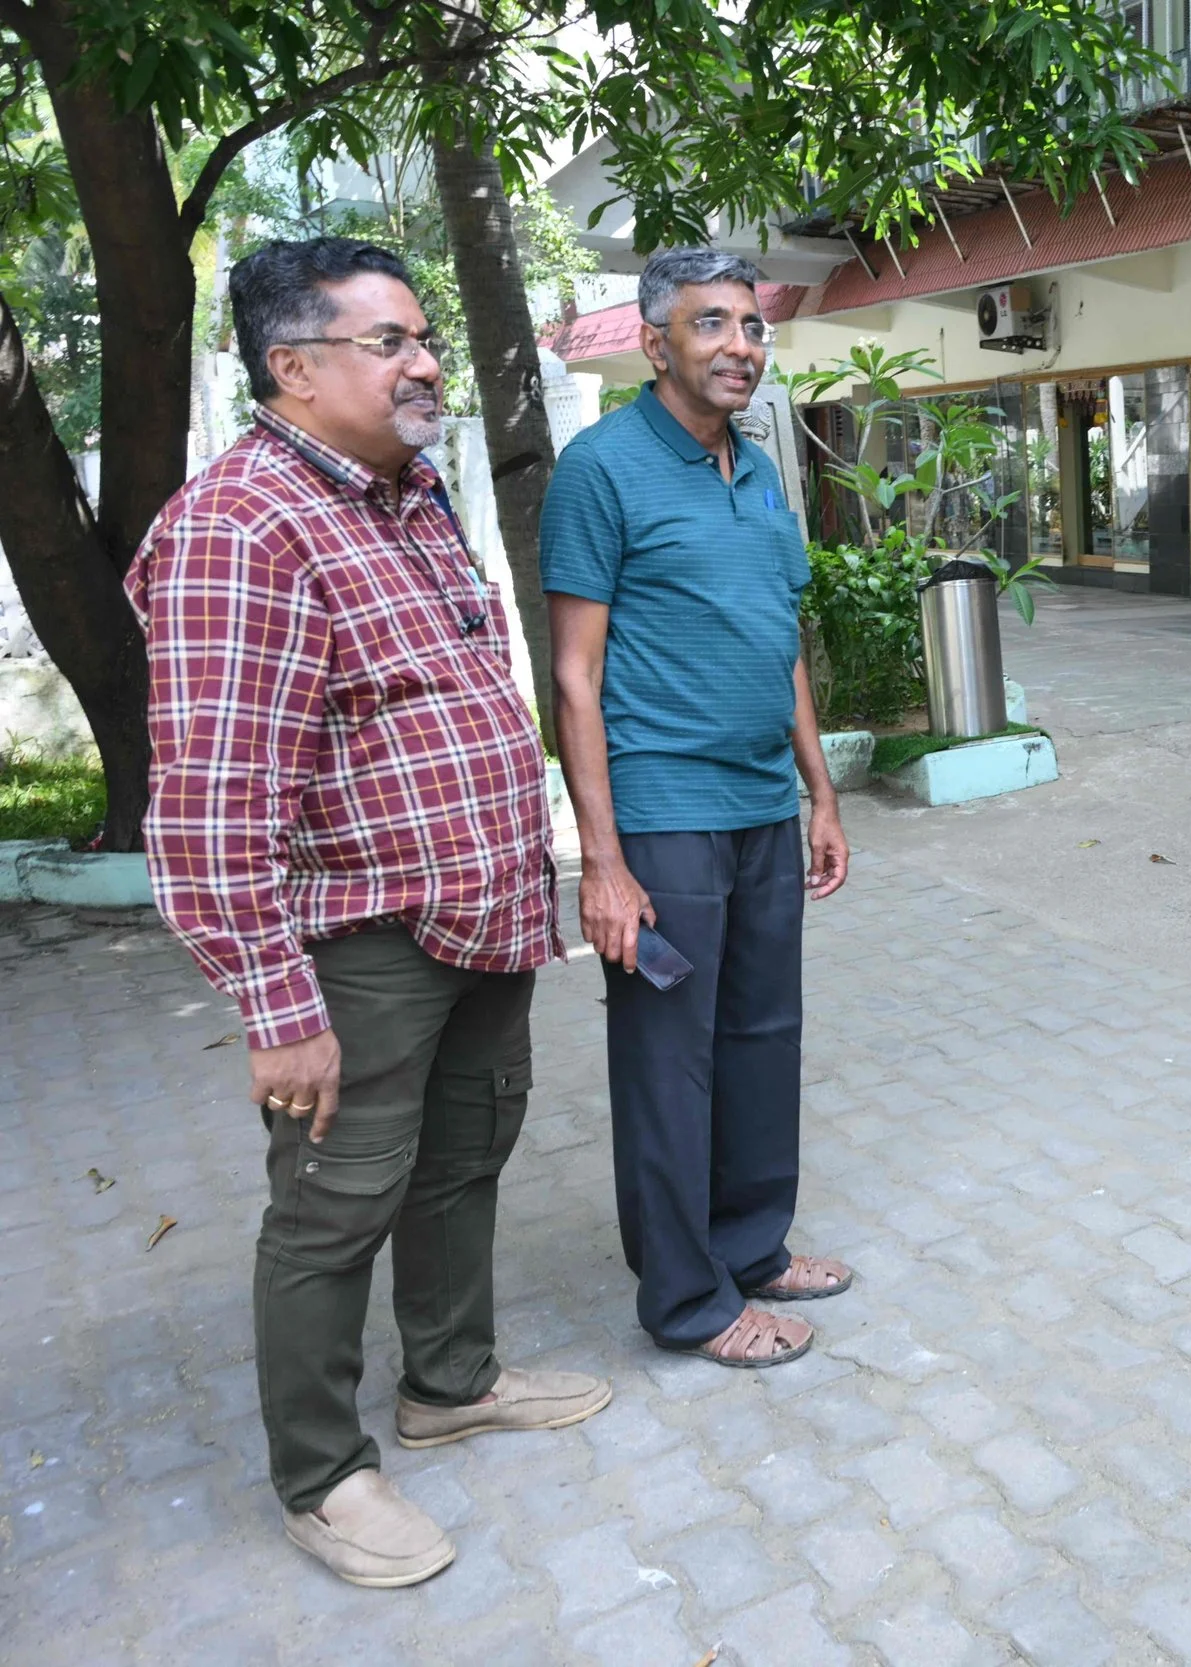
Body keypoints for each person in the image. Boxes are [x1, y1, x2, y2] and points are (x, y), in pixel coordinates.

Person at [128, 238, 609, 1588]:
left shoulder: (409, 491)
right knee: (334, 1205)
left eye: (424, 338)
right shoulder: (241, 527)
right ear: (293, 366)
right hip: (361, 946)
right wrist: (276, 1007)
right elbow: (214, 801)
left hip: (480, 915)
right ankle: (323, 1475)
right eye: (388, 340)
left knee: (464, 1154)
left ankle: (451, 1380)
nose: (425, 363)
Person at [541, 247, 852, 1371]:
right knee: (670, 1059)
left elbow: (781, 643)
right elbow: (575, 674)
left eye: (752, 325)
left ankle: (751, 1245)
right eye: (711, 322)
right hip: (664, 809)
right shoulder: (601, 469)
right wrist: (602, 859)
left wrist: (820, 792)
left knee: (764, 1037)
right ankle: (685, 1299)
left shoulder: (757, 471)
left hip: (763, 803)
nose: (740, 345)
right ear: (653, 342)